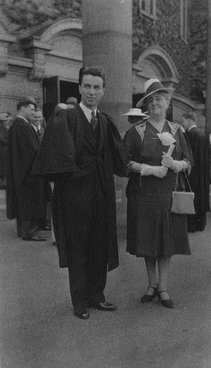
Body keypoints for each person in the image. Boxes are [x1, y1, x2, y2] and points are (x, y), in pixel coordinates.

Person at [32, 66, 127, 319]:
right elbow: (54, 157)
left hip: (101, 194)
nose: (92, 92)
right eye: (87, 86)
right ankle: (80, 301)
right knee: (78, 247)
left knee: (99, 244)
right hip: (74, 195)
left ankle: (97, 295)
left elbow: (119, 158)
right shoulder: (67, 118)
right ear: (80, 88)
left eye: (97, 87)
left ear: (104, 91)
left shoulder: (105, 121)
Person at [123, 79, 192, 308]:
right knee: (148, 241)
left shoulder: (177, 131)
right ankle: (151, 284)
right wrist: (148, 169)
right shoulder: (136, 132)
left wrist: (175, 165)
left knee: (166, 242)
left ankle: (163, 286)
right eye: (150, 100)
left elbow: (189, 161)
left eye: (159, 99)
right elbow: (124, 163)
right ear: (146, 105)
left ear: (167, 102)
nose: (155, 103)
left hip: (169, 195)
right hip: (144, 195)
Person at [7, 97, 46, 241]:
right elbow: (34, 150)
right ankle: (29, 232)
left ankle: (23, 230)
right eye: (31, 109)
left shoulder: (15, 125)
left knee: (23, 201)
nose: (33, 112)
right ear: (22, 108)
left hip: (20, 170)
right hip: (28, 172)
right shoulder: (23, 126)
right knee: (29, 201)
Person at [182, 111, 210, 232]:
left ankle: (191, 225)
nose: (183, 124)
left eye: (183, 121)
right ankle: (201, 224)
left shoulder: (189, 135)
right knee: (201, 196)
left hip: (192, 172)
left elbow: (186, 154)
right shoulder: (203, 134)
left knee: (191, 196)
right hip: (203, 171)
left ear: (189, 120)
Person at [0, 112, 11, 189]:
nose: (8, 121)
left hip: (5, 150)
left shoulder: (6, 127)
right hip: (3, 150)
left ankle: (4, 182)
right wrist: (10, 142)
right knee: (3, 167)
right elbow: (2, 139)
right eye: (6, 120)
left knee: (4, 167)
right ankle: (3, 183)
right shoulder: (2, 127)